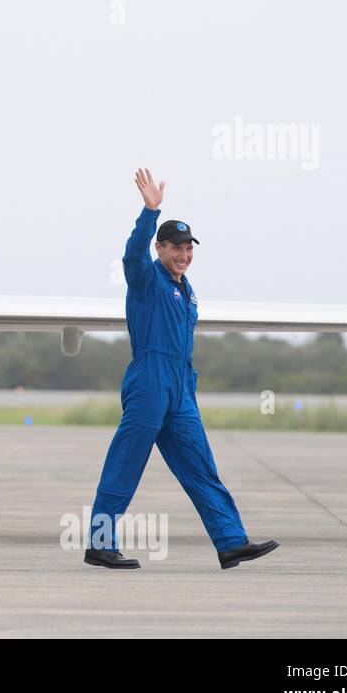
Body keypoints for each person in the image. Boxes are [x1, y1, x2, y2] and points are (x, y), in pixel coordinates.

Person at [84, 169, 278, 570]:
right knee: (126, 463)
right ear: (160, 248)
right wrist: (148, 212)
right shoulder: (147, 280)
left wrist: (186, 388)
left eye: (189, 248)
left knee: (200, 465)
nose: (184, 254)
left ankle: (230, 541)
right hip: (149, 383)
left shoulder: (185, 290)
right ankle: (100, 545)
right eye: (176, 247)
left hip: (179, 388)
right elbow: (131, 256)